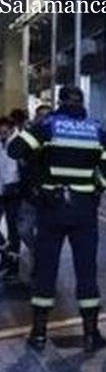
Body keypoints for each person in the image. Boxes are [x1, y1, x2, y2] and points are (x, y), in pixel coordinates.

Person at [8, 86, 106, 352]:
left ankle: (39, 334)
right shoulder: (98, 130)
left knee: (46, 270)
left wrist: (37, 165)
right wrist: (94, 191)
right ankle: (91, 334)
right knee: (86, 271)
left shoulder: (47, 126)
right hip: (84, 210)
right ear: (82, 103)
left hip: (51, 208)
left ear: (60, 102)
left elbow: (14, 150)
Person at [13, 105, 50, 280]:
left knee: (45, 233)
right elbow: (15, 153)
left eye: (47, 116)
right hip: (29, 193)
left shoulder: (54, 137)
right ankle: (36, 253)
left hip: (48, 195)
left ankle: (41, 266)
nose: (43, 119)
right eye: (40, 116)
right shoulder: (29, 135)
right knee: (24, 230)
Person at [0, 117, 21, 280]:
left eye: (4, 131)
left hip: (15, 191)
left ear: (12, 128)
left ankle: (12, 267)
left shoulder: (20, 142)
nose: (2, 134)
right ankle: (5, 249)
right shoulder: (1, 142)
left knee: (14, 229)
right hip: (1, 189)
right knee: (13, 231)